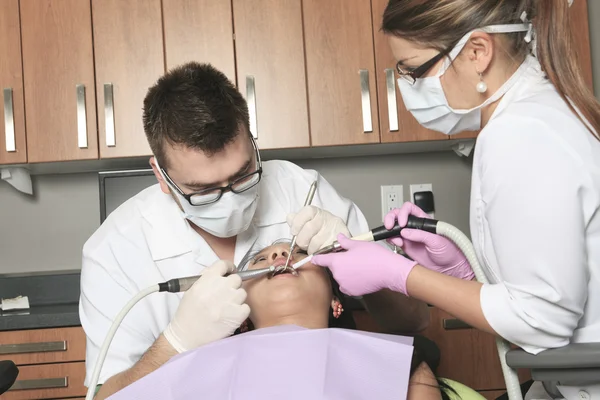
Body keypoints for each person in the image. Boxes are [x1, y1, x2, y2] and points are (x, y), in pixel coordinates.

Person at [302, 1, 600, 399]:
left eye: (413, 69)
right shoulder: (535, 115)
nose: (406, 84)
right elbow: (544, 288)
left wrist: (400, 275)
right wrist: (461, 271)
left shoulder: (521, 134)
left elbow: (542, 319)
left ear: (477, 52)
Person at [79, 62, 429, 399]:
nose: (229, 199)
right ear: (162, 176)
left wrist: (360, 260)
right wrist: (176, 342)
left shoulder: (301, 190)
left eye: (244, 174)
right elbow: (105, 396)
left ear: (251, 138)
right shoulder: (114, 252)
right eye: (204, 191)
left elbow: (413, 322)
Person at [109, 240, 484, 400]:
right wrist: (175, 341)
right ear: (239, 310)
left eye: (299, 252)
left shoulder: (402, 363)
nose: (279, 253)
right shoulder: (197, 368)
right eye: (259, 260)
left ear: (337, 300)